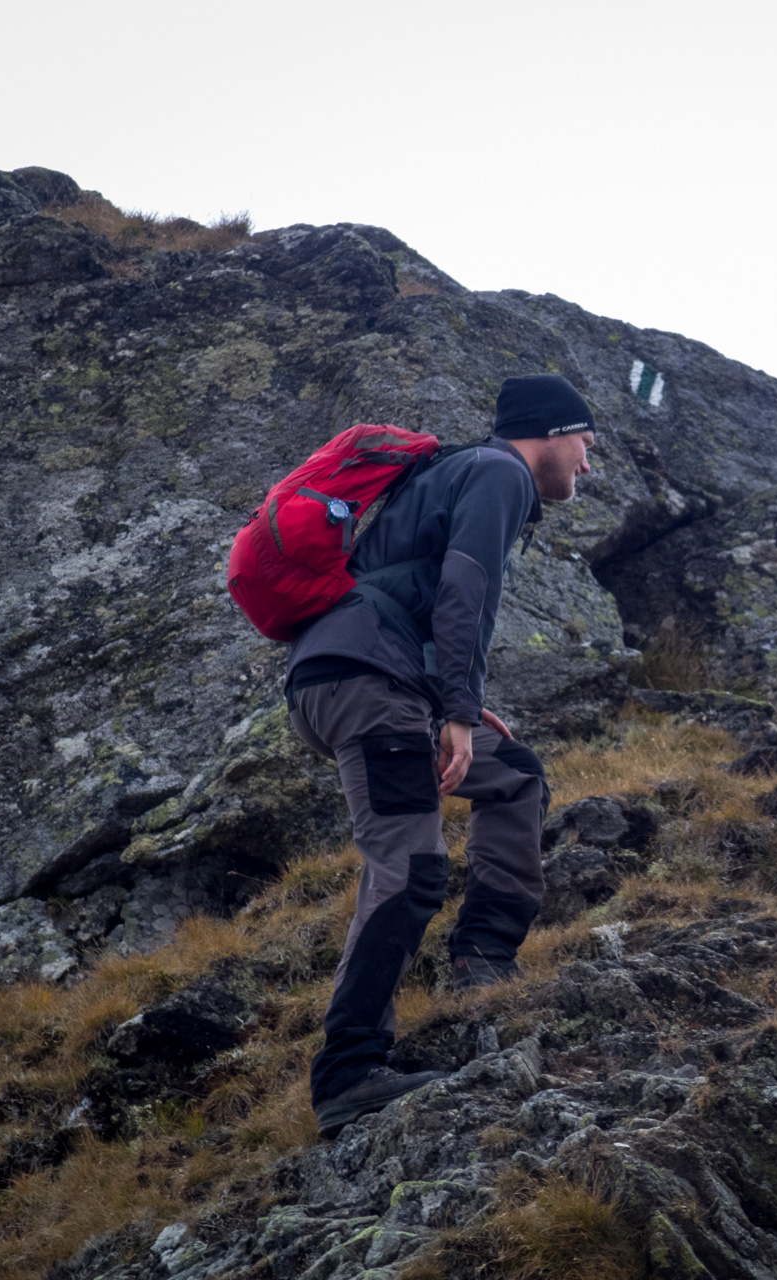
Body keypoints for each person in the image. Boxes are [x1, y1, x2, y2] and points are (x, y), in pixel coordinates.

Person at [282, 373, 597, 1138]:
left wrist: (447, 698)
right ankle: (349, 1070)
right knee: (410, 864)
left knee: (514, 776)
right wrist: (454, 708)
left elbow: (417, 588)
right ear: (553, 433)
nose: (588, 465)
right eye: (587, 444)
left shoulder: (463, 472)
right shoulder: (499, 472)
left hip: (375, 679)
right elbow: (466, 587)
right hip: (369, 684)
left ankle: (483, 958)